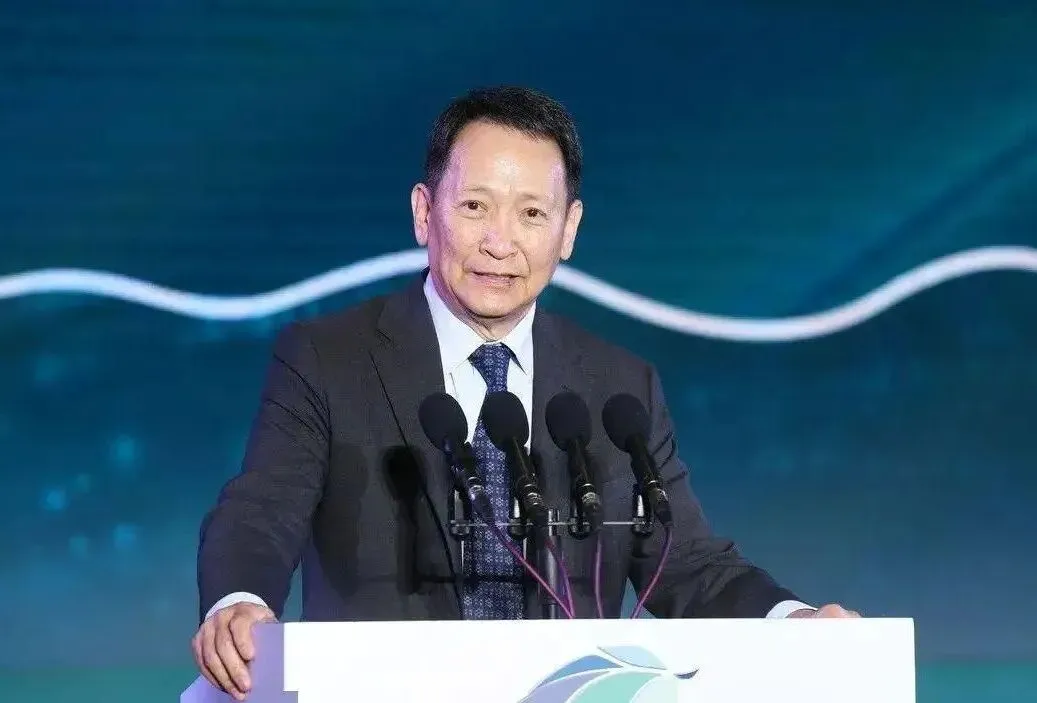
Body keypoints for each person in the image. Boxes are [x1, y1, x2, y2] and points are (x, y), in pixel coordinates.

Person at [191, 86, 859, 699]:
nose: (499, 242)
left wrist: (790, 620)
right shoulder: (329, 358)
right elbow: (263, 507)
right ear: (424, 213)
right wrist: (238, 601)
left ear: (568, 230)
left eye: (531, 213)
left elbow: (683, 559)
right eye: (474, 206)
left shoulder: (619, 386)